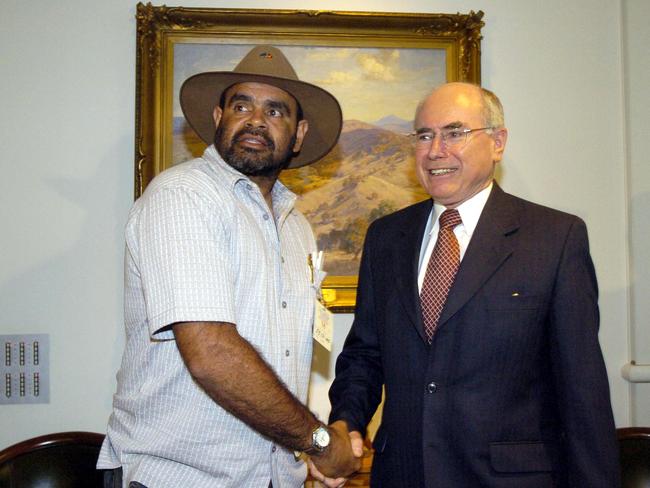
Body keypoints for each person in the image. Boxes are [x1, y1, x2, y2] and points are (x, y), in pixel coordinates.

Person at [327, 82, 620, 487]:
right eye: (424, 136)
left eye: (454, 133)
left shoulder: (554, 237)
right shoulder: (386, 237)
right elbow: (365, 353)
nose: (435, 150)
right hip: (403, 474)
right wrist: (346, 421)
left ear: (498, 143)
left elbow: (582, 390)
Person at [97, 45, 359, 488]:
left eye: (276, 111)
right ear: (219, 118)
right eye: (242, 105)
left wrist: (304, 451)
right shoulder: (184, 197)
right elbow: (212, 354)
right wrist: (318, 440)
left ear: (298, 135)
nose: (256, 120)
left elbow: (294, 351)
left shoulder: (298, 229)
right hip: (176, 479)